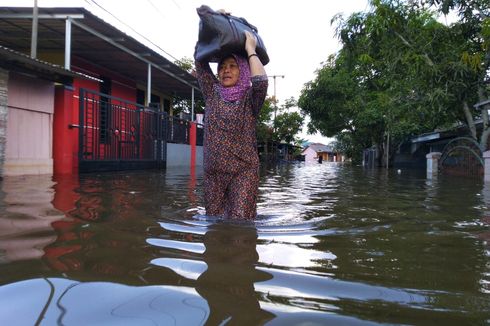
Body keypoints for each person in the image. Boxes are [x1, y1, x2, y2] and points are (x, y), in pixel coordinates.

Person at [194, 30, 268, 220]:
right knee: (213, 224)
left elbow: (261, 82)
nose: (226, 70)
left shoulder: (250, 99)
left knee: (240, 224)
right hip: (213, 174)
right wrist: (214, 23)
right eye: (222, 67)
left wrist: (250, 49)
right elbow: (200, 60)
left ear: (243, 70)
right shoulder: (212, 92)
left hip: (243, 172)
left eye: (233, 66)